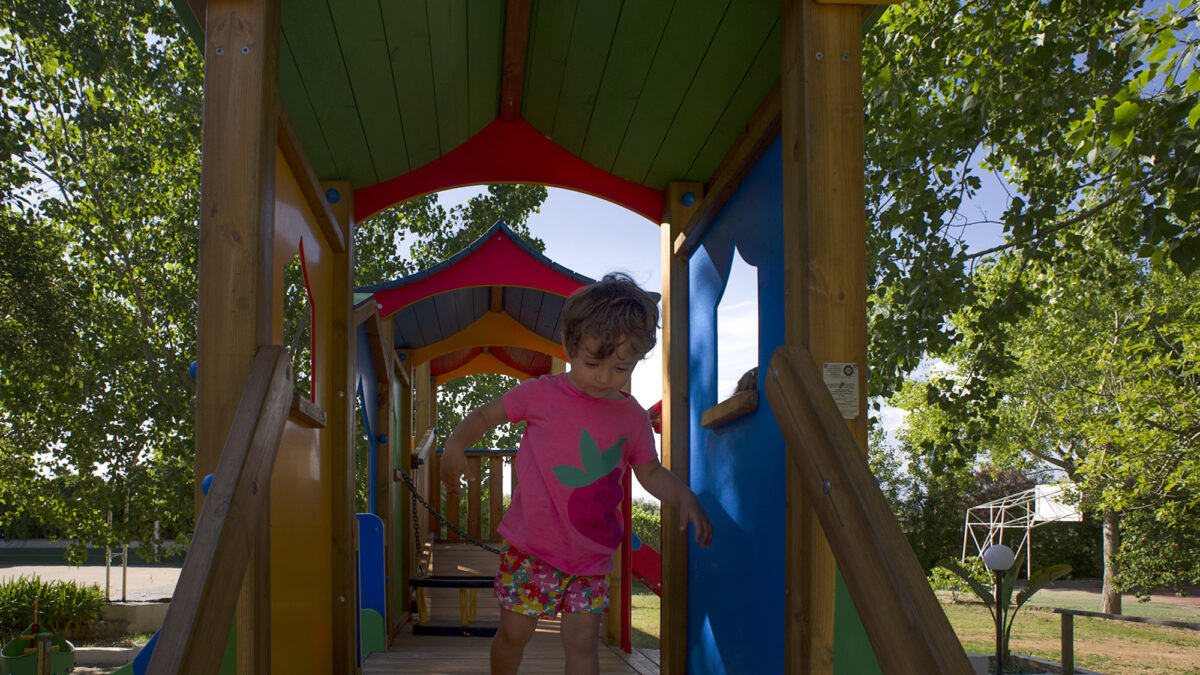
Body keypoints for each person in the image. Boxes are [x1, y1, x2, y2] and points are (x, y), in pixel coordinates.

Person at [441, 272, 713, 675]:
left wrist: (684, 495)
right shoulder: (539, 394)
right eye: (592, 363)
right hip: (531, 549)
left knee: (583, 644)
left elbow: (651, 472)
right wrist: (454, 445)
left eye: (621, 367)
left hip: (591, 557)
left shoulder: (632, 417)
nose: (604, 377)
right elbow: (484, 415)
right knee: (514, 634)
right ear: (569, 346)